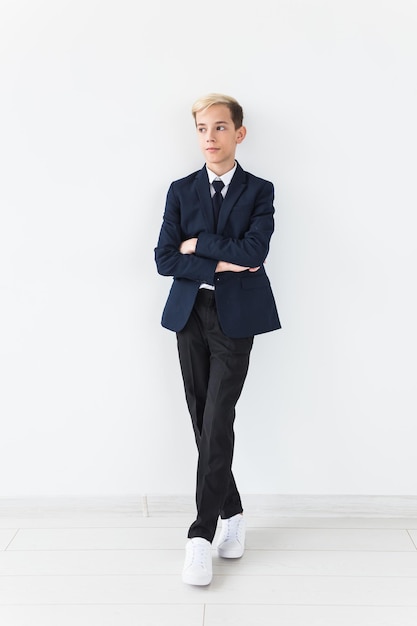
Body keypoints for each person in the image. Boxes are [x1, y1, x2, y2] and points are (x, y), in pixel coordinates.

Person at [154, 93, 280, 586]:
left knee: (218, 415)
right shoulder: (181, 190)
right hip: (190, 314)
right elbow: (165, 259)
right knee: (201, 416)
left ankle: (200, 535)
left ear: (239, 133)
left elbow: (255, 251)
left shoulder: (260, 190)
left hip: (236, 315)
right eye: (203, 129)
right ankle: (234, 512)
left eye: (220, 128)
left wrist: (199, 244)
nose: (210, 137)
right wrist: (222, 259)